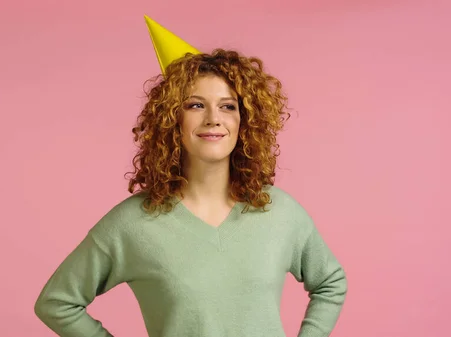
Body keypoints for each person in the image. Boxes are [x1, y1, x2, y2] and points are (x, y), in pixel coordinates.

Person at [34, 15, 347, 337]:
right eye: (196, 105)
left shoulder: (280, 211)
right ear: (172, 119)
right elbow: (57, 303)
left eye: (228, 106)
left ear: (246, 121)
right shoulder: (131, 224)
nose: (213, 119)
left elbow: (330, 282)